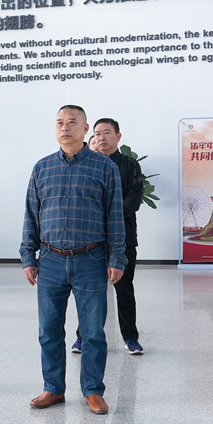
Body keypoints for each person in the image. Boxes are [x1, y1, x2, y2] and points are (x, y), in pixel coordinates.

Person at [21, 105, 125, 415]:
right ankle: (53, 388)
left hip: (90, 259)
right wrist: (28, 255)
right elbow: (31, 214)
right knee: (49, 330)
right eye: (60, 123)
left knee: (93, 332)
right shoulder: (42, 168)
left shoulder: (105, 167)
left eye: (72, 122)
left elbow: (115, 216)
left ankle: (93, 391)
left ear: (85, 128)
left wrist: (117, 257)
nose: (65, 128)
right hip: (50, 259)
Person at [73, 118, 145, 356]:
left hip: (123, 237)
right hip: (90, 241)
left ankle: (131, 338)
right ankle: (82, 336)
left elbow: (134, 200)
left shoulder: (130, 166)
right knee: (89, 291)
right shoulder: (86, 165)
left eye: (106, 132)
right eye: (97, 133)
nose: (101, 137)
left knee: (124, 289)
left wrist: (104, 216)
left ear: (118, 136)